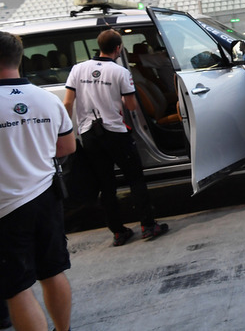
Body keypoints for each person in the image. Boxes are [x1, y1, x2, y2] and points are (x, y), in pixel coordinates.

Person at [63, 29, 168, 247]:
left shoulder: (78, 69)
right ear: (118, 48)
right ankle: (148, 226)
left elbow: (67, 103)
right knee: (135, 178)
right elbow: (131, 105)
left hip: (89, 134)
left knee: (106, 184)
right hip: (115, 132)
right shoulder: (120, 72)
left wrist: (70, 131)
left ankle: (118, 232)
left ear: (98, 46)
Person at [0, 31, 75, 331]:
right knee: (53, 271)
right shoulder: (47, 99)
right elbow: (67, 147)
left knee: (16, 287)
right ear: (19, 59)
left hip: (6, 206)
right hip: (46, 196)